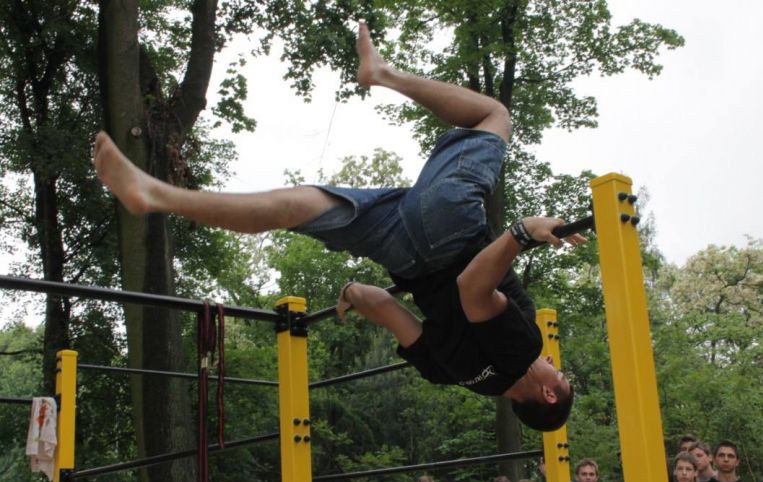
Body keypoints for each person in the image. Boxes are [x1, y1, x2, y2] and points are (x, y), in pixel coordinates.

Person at [93, 20, 586, 433]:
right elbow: (381, 304)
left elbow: (473, 288)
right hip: (404, 253)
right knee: (302, 206)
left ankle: (384, 73)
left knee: (494, 114)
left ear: (545, 391)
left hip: (450, 229)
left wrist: (521, 232)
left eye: (558, 374)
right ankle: (160, 197)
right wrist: (350, 289)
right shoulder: (454, 375)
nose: (554, 365)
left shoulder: (523, 349)